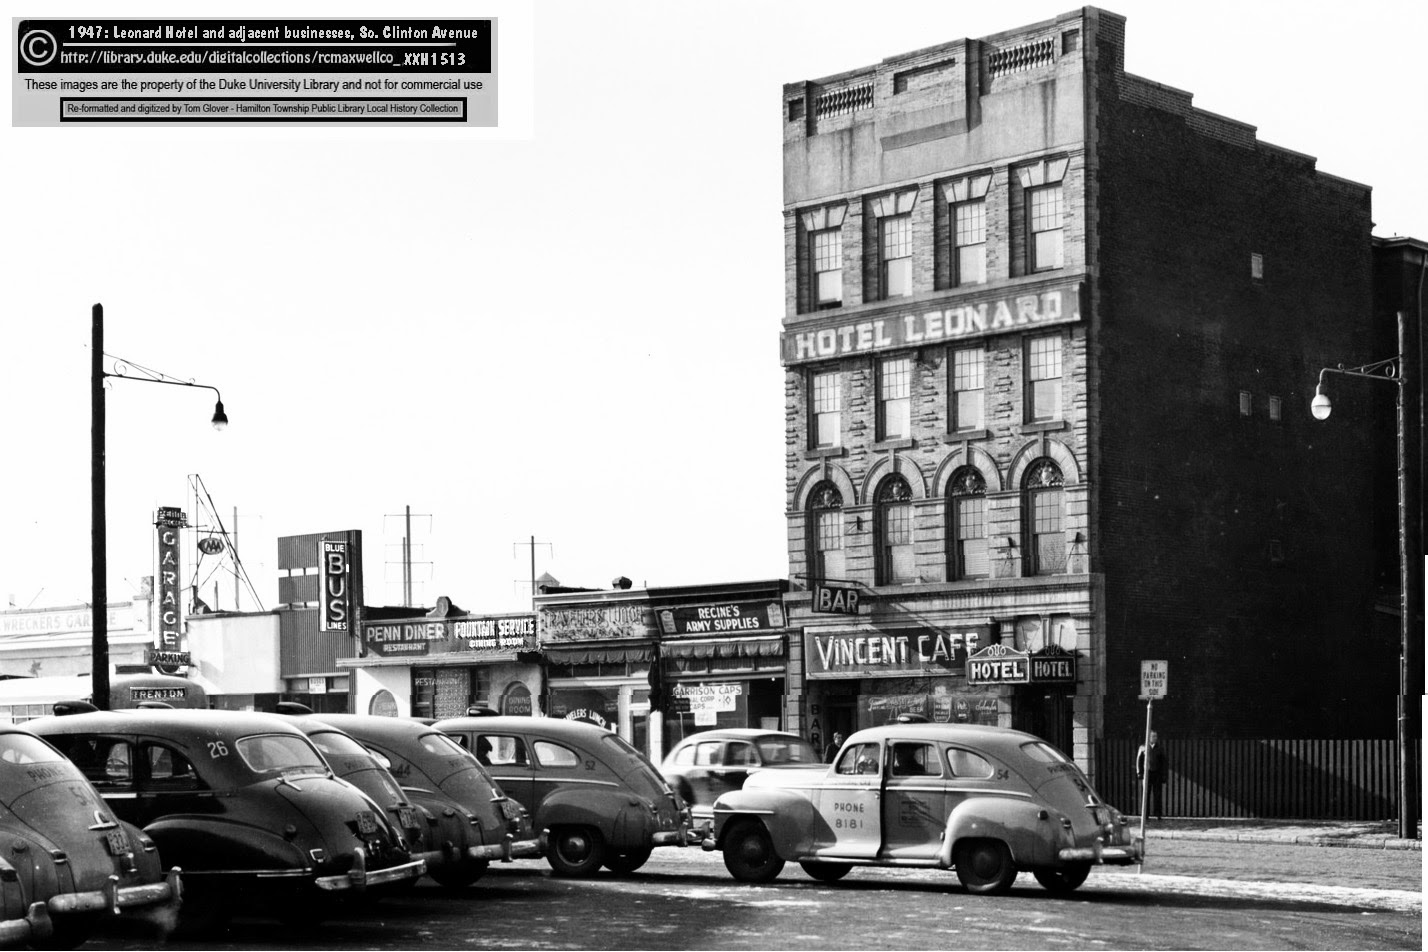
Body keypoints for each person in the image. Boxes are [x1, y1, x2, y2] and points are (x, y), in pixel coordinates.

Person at [1135, 730, 1168, 820]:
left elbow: (1164, 762)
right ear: (1148, 737)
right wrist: (1139, 773)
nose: (1155, 738)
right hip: (1147, 774)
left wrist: (1164, 775)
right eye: (1153, 736)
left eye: (1156, 736)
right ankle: (1145, 814)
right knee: (1146, 794)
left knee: (1157, 795)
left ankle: (1158, 814)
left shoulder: (1160, 748)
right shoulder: (1143, 747)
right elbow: (1139, 761)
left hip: (1157, 774)